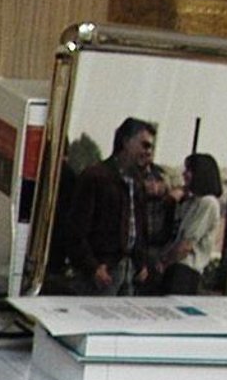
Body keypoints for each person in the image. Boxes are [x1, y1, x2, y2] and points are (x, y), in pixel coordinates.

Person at [54, 116, 157, 293]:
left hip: (128, 271)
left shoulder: (137, 183)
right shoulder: (96, 177)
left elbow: (139, 228)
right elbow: (76, 228)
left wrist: (141, 263)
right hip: (102, 271)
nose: (148, 152)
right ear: (126, 142)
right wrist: (92, 266)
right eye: (145, 145)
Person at [165, 151, 225, 292]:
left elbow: (187, 243)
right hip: (175, 266)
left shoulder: (208, 203)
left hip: (185, 269)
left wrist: (165, 262)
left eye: (189, 170)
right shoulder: (191, 202)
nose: (184, 174)